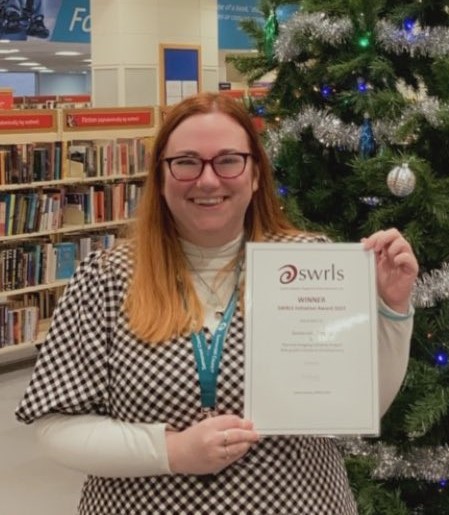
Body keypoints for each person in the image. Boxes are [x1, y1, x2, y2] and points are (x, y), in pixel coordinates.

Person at [15, 92, 419, 514]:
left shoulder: (308, 264)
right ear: (161, 176)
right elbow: (55, 425)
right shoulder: (106, 278)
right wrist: (170, 451)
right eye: (187, 162)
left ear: (256, 174)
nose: (207, 180)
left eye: (228, 160)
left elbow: (362, 404)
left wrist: (392, 308)